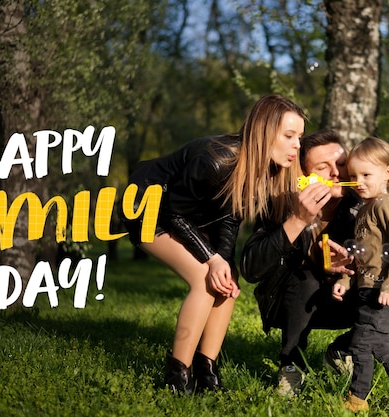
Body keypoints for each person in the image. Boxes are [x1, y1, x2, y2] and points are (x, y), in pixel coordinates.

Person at [120, 94, 306, 394]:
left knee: (226, 283)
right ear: (264, 132)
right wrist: (211, 258)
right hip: (148, 210)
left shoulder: (262, 172)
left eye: (299, 136)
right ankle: (176, 377)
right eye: (289, 136)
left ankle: (207, 371)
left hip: (190, 218)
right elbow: (170, 212)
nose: (297, 145)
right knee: (204, 281)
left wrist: (224, 261)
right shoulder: (216, 159)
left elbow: (230, 219)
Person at [241, 129, 361, 396]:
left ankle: (342, 350)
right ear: (305, 177)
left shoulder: (362, 206)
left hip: (343, 298)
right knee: (304, 278)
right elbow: (250, 268)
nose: (337, 173)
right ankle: (291, 367)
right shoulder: (282, 205)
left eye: (341, 164)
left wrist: (348, 268)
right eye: (323, 167)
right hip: (290, 303)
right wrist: (296, 220)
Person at [332, 136, 389, 411]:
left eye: (367, 174)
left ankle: (357, 398)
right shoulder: (364, 209)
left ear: (388, 173)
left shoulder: (384, 205)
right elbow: (361, 256)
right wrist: (346, 279)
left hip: (386, 295)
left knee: (360, 344)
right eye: (354, 176)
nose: (359, 181)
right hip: (368, 294)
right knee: (376, 346)